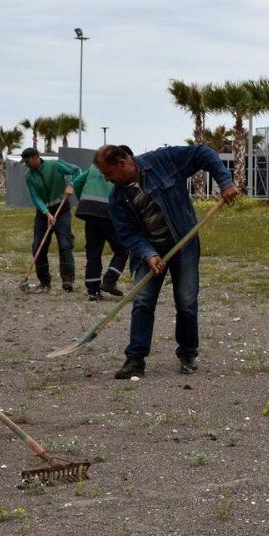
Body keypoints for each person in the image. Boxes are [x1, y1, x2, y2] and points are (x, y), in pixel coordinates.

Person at [94, 144, 237, 379]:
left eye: (108, 174)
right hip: (149, 251)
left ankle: (188, 353)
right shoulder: (118, 198)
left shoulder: (163, 161)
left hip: (184, 243)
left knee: (186, 301)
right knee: (142, 301)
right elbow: (128, 233)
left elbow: (203, 153)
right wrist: (149, 254)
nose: (107, 180)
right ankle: (135, 359)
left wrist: (225, 182)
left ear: (122, 163)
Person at [20, 147, 82, 292]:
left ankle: (68, 281)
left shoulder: (55, 165)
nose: (26, 165)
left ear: (36, 157)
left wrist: (71, 185)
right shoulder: (29, 176)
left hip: (61, 208)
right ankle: (44, 282)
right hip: (43, 212)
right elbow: (35, 196)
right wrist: (46, 213)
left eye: (27, 161)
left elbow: (76, 170)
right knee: (37, 247)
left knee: (65, 244)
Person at [71, 157, 129, 301]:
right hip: (108, 214)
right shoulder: (119, 168)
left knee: (93, 253)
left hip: (89, 212)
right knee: (122, 250)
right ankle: (110, 280)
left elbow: (77, 182)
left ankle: (93, 291)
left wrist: (84, 201)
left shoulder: (94, 166)